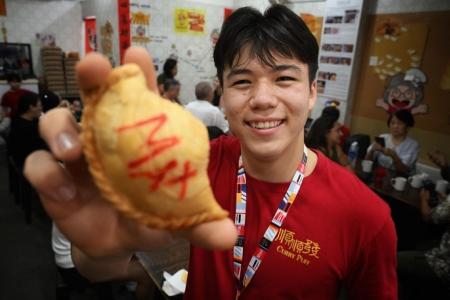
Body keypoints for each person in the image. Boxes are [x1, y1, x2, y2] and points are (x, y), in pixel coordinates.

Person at [24, 5, 397, 300]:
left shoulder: (365, 216)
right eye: (242, 81)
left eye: (284, 78)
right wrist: (103, 234)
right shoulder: (192, 164)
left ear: (313, 90)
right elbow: (94, 268)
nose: (263, 99)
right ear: (222, 92)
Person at [365, 109, 419, 175]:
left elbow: (404, 170)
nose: (395, 126)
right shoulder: (383, 137)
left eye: (400, 123)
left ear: (407, 126)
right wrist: (371, 151)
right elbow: (367, 162)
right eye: (392, 123)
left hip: (401, 180)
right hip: (381, 175)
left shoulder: (413, 145)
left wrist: (393, 155)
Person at [8, 92, 46, 168]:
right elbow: (42, 147)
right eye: (40, 105)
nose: (41, 108)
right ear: (31, 107)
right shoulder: (23, 128)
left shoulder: (24, 119)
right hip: (29, 166)